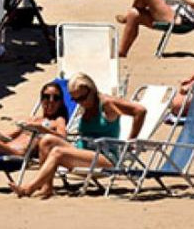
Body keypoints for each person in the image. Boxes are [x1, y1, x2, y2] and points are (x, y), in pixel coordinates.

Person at [9, 73, 147, 199]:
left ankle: (29, 188)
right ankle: (47, 188)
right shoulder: (86, 105)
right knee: (47, 141)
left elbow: (140, 111)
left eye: (82, 98)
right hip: (83, 152)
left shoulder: (107, 103)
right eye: (75, 100)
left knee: (58, 152)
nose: (80, 102)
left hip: (106, 157)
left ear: (91, 90)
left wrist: (131, 140)